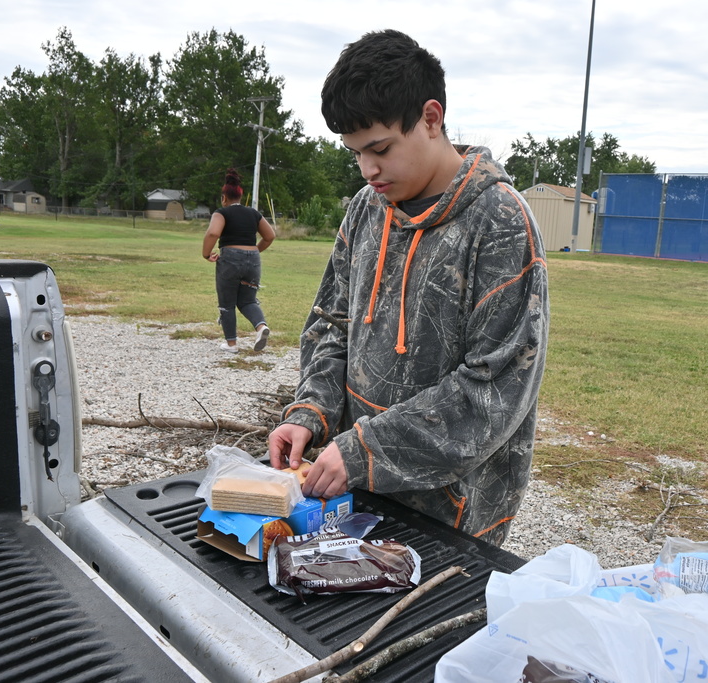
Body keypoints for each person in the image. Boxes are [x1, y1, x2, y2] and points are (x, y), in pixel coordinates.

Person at [267, 29, 549, 547]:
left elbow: (493, 392)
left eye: (379, 149)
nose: (368, 169)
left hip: (453, 514)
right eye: (355, 153)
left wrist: (364, 451)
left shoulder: (502, 222)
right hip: (356, 489)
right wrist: (311, 412)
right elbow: (332, 326)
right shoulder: (365, 209)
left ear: (431, 119)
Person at [202, 168, 275, 353]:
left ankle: (231, 344)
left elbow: (213, 233)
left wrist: (206, 254)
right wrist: (253, 252)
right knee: (248, 301)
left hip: (230, 259)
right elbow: (270, 236)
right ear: (240, 197)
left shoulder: (221, 213)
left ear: (224, 198)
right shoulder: (253, 213)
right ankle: (261, 327)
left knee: (227, 303)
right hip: (253, 260)